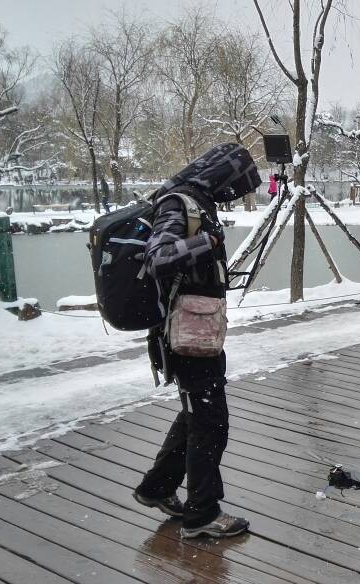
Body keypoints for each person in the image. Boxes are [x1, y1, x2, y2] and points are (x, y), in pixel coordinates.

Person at [133, 143, 261, 539]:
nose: (234, 194)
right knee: (210, 423)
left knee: (199, 415)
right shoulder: (177, 202)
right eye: (235, 185)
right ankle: (201, 515)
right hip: (183, 336)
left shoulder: (197, 201)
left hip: (199, 333)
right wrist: (209, 244)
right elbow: (158, 257)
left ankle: (156, 488)